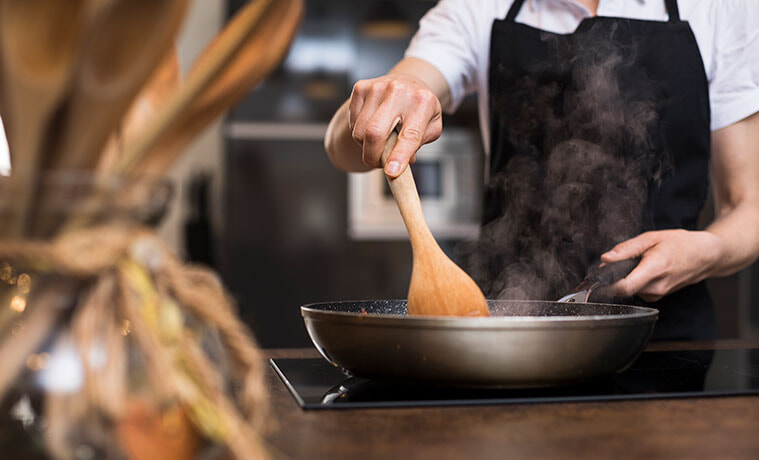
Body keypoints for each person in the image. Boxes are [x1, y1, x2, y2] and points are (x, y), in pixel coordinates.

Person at [324, 0, 759, 340]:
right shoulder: (475, 8)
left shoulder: (718, 9)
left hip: (665, 341)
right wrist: (389, 100)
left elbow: (749, 206)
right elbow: (342, 148)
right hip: (506, 336)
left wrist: (710, 251)